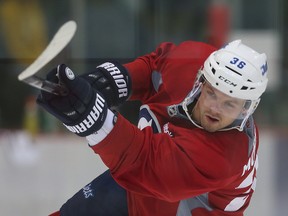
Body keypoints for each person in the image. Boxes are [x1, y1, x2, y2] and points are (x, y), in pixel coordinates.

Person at [37, 39, 268, 216]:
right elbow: (154, 69)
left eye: (230, 103)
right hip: (142, 187)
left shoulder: (227, 155)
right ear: (201, 80)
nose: (215, 108)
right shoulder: (192, 60)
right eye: (211, 93)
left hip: (180, 202)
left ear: (247, 109)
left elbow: (145, 163)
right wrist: (107, 83)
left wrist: (90, 115)